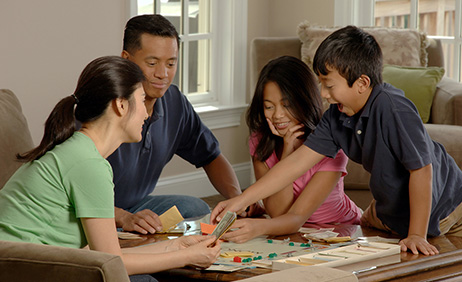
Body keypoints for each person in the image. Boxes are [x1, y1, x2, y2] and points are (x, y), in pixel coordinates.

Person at [211, 26, 462, 256]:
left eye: (329, 85)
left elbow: (421, 170)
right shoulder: (335, 118)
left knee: (441, 266)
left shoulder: (393, 108)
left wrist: (417, 234)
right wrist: (241, 200)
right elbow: (294, 166)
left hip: (444, 205)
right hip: (391, 210)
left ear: (361, 83)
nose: (324, 94)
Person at [0, 56, 221, 280]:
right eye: (142, 100)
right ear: (121, 105)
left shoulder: (80, 151)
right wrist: (187, 257)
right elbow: (111, 262)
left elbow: (104, 254)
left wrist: (179, 246)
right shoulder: (89, 164)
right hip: (20, 272)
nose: (146, 113)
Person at [109, 14, 261, 235]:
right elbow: (73, 194)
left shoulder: (173, 101)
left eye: (171, 63)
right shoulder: (104, 106)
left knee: (195, 208)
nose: (163, 74)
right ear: (126, 59)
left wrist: (236, 199)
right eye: (152, 63)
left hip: (136, 205)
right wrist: (123, 217)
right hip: (95, 213)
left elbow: (211, 156)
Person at [221, 56, 362, 243]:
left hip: (340, 229)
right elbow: (278, 212)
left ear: (305, 100)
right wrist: (287, 151)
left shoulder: (331, 144)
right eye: (269, 107)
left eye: (287, 105)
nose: (278, 115)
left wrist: (258, 226)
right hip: (291, 232)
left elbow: (295, 217)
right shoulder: (261, 141)